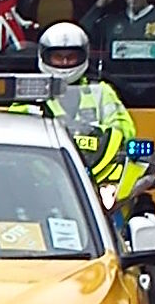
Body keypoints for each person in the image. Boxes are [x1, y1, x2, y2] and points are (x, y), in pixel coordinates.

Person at [31, 23, 138, 194]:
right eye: (58, 57)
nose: (65, 62)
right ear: (44, 56)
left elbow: (123, 128)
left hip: (97, 172)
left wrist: (101, 133)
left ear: (83, 56)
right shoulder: (30, 93)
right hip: (42, 176)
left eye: (71, 57)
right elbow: (18, 131)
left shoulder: (101, 91)